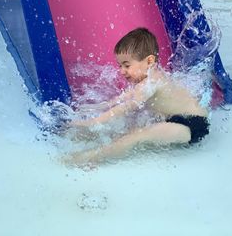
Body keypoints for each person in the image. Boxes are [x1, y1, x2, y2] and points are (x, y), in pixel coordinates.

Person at [62, 27, 209, 167]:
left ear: (149, 61)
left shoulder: (152, 81)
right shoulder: (147, 80)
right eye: (120, 66)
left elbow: (128, 105)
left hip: (192, 124)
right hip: (176, 117)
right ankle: (80, 138)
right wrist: (99, 107)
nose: (121, 71)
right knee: (130, 129)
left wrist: (94, 121)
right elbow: (122, 99)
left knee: (136, 136)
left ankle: (91, 158)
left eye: (127, 65)